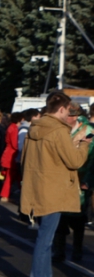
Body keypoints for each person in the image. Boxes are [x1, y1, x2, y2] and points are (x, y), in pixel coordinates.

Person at [21, 91, 90, 277]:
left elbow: (24, 160)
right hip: (54, 191)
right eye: (68, 110)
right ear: (61, 109)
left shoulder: (35, 128)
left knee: (46, 237)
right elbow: (74, 162)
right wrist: (83, 143)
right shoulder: (58, 131)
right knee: (45, 240)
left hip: (38, 189)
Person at [53, 105, 94, 263]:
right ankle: (59, 249)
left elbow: (93, 159)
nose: (68, 119)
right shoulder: (60, 130)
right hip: (60, 179)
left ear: (76, 116)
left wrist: (88, 180)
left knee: (78, 219)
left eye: (71, 116)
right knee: (59, 215)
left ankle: (77, 249)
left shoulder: (88, 131)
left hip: (80, 179)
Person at [0, 111, 23, 202]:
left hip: (9, 154)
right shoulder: (14, 128)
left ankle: (5, 195)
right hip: (12, 156)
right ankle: (4, 195)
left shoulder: (11, 127)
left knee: (14, 176)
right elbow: (14, 144)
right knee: (11, 176)